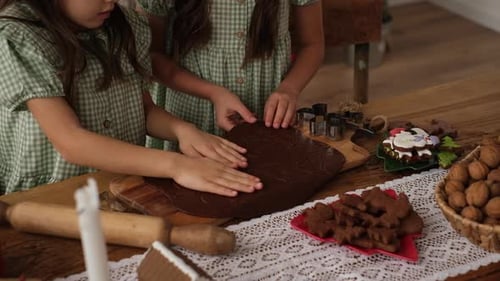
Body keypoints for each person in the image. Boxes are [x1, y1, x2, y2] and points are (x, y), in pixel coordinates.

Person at [0, 0, 263, 196]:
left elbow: (143, 109)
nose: (111, 1)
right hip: (54, 195)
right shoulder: (19, 37)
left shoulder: (124, 25)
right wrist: (177, 165)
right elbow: (71, 142)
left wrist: (183, 130)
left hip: (120, 186)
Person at [136, 0, 324, 150]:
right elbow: (152, 56)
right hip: (190, 118)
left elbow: (313, 45)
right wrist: (214, 93)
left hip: (266, 118)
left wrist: (289, 89)